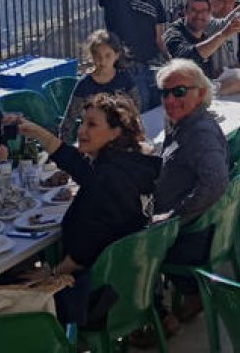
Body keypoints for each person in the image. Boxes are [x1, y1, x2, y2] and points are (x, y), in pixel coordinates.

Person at [17, 94, 159, 328]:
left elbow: (83, 251)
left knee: (13, 289)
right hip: (131, 286)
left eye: (92, 124)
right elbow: (78, 165)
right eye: (81, 123)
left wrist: (52, 274)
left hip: (95, 298)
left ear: (115, 133)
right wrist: (37, 132)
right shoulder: (128, 166)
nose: (82, 130)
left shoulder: (106, 178)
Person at [149, 59, 229, 337]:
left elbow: (217, 181)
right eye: (165, 93)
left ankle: (153, 316)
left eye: (179, 92)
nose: (170, 99)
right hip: (189, 229)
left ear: (201, 93)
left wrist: (174, 218)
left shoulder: (199, 133)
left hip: (188, 238)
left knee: (118, 236)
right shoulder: (186, 124)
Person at [83, 0, 168, 111]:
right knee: (137, 120)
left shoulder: (155, 2)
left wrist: (173, 63)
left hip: (153, 69)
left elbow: (158, 39)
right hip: (128, 71)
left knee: (159, 116)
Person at [58, 30, 139, 143]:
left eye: (108, 56)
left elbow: (135, 111)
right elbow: (69, 119)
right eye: (98, 56)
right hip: (93, 141)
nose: (102, 61)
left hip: (120, 139)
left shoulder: (125, 79)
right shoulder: (85, 85)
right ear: (92, 56)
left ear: (117, 55)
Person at [163, 0, 240, 80]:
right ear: (185, 12)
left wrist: (236, 69)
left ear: (209, 14)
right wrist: (224, 34)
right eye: (194, 10)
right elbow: (185, 59)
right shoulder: (173, 34)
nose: (199, 15)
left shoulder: (203, 36)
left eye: (203, 11)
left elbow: (208, 74)